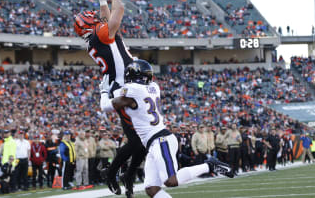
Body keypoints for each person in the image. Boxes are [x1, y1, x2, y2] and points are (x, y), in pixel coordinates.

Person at [99, 59, 233, 198]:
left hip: (160, 140)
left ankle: (209, 166)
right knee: (151, 188)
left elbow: (105, 106)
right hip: (154, 142)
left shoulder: (133, 91)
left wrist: (104, 90)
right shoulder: (154, 87)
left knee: (171, 180)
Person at [74, 0, 145, 196]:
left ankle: (127, 175)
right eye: (93, 18)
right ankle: (114, 172)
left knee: (142, 138)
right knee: (140, 139)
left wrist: (103, 0)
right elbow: (120, 10)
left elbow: (106, 18)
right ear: (88, 24)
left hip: (124, 84)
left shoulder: (96, 36)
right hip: (124, 87)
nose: (97, 18)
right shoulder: (101, 34)